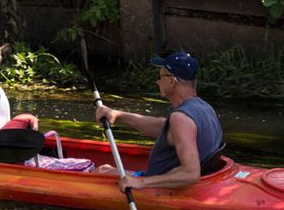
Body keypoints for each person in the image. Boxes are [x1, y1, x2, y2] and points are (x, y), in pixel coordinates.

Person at [95, 51, 224, 190]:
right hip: (202, 180)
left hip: (160, 188)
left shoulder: (181, 118)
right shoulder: (204, 107)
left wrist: (141, 183)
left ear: (172, 81)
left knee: (100, 171)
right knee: (105, 169)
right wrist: (118, 114)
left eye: (160, 76)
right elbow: (160, 126)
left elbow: (191, 174)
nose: (157, 81)